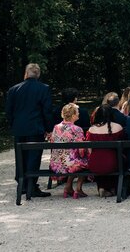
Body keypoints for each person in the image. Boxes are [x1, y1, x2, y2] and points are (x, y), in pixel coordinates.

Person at [5, 63, 53, 198]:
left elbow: (8, 111)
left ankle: (22, 184)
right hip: (36, 128)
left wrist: (13, 124)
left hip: (19, 128)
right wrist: (49, 128)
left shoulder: (14, 89)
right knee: (34, 157)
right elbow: (47, 111)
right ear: (38, 75)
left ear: (26, 74)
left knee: (20, 157)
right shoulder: (44, 89)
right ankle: (31, 185)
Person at [49, 103, 89, 198]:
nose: (79, 114)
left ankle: (68, 187)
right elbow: (81, 150)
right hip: (69, 165)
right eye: (77, 112)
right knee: (84, 160)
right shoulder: (77, 129)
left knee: (73, 159)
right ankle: (78, 188)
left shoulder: (56, 127)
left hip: (56, 164)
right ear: (73, 115)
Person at [86, 105, 125, 197]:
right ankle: (112, 188)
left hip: (94, 163)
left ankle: (102, 187)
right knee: (117, 160)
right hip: (112, 162)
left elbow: (89, 149)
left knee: (101, 161)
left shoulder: (91, 129)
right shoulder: (118, 127)